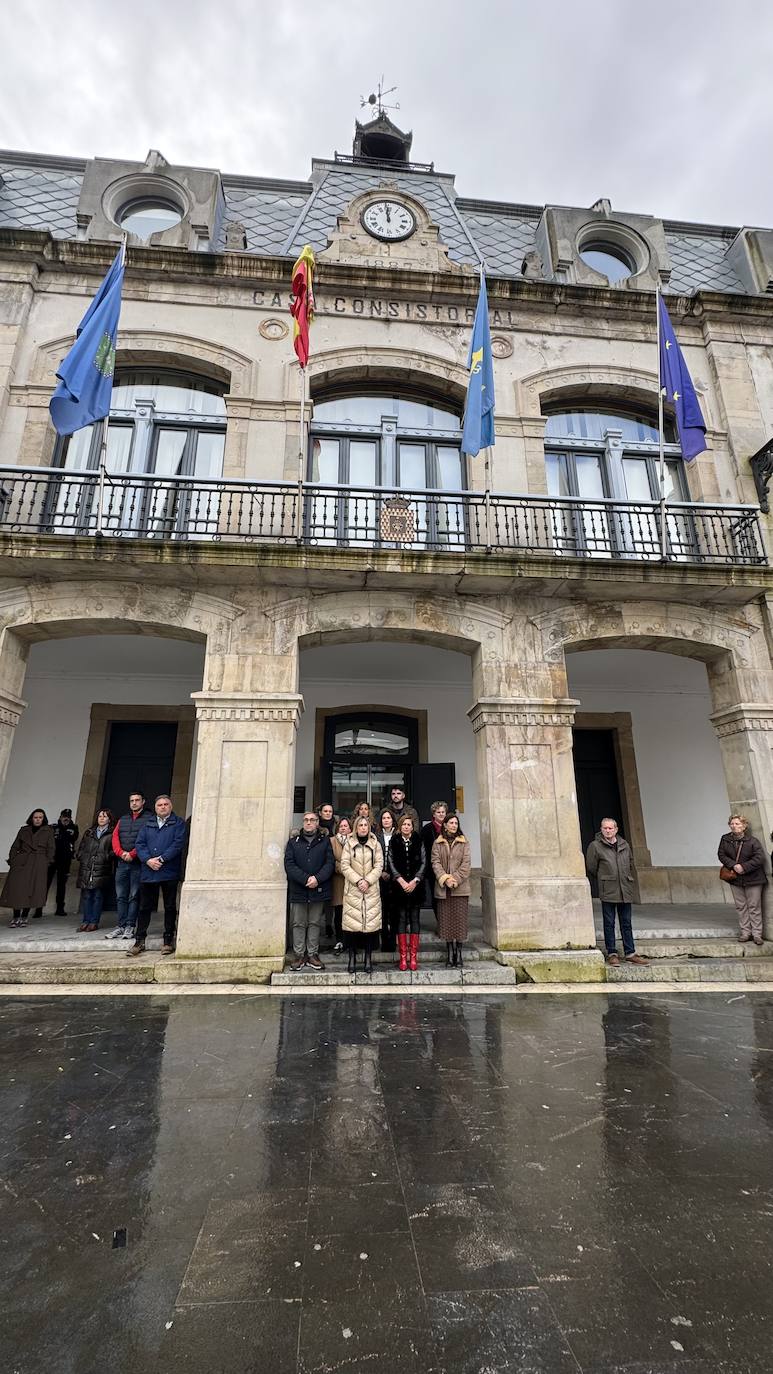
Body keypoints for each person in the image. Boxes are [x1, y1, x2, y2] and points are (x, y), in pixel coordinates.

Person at [128, 795, 188, 957]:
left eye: (166, 804)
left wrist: (161, 859)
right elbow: (139, 844)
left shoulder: (178, 823)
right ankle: (139, 940)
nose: (163, 807)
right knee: (144, 907)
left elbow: (178, 844)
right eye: (160, 805)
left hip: (168, 870)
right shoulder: (148, 824)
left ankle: (168, 940)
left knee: (169, 906)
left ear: (171, 806)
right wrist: (148, 860)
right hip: (148, 871)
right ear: (155, 808)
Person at [585, 817, 648, 967]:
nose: (607, 830)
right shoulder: (595, 846)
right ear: (601, 829)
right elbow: (592, 867)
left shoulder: (624, 845)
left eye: (610, 828)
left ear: (616, 829)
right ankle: (612, 953)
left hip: (625, 888)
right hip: (609, 889)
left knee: (626, 922)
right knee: (609, 923)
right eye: (605, 828)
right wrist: (605, 879)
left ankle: (630, 953)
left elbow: (630, 863)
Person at [283, 810, 335, 971]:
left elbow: (329, 863)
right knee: (298, 923)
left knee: (314, 923)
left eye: (312, 820)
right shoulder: (294, 842)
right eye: (306, 820)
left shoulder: (324, 841)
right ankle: (299, 955)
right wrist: (305, 879)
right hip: (299, 889)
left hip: (318, 889)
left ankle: (312, 954)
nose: (309, 822)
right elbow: (289, 865)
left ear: (317, 823)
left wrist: (317, 879)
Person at [106, 790, 153, 940]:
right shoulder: (123, 819)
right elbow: (115, 837)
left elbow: (147, 840)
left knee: (134, 896)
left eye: (137, 800)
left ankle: (130, 925)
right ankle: (120, 925)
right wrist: (120, 853)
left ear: (143, 802)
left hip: (137, 863)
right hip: (122, 863)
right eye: (132, 800)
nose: (134, 803)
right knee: (120, 896)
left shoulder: (149, 818)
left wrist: (132, 854)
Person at [340, 814, 383, 974]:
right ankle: (352, 958)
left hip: (371, 891)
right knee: (352, 927)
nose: (363, 828)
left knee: (370, 928)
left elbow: (379, 865)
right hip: (353, 890)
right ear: (356, 828)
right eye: (360, 825)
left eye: (366, 825)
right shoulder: (349, 844)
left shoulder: (375, 844)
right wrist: (358, 881)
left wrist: (368, 881)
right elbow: (345, 865)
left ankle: (368, 958)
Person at [718, 814, 767, 946]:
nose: (734, 826)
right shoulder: (725, 839)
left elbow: (759, 858)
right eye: (732, 824)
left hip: (753, 878)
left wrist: (743, 867)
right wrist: (733, 865)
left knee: (754, 906)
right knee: (741, 906)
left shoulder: (752, 841)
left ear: (744, 826)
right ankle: (745, 933)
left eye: (738, 824)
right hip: (735, 878)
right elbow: (721, 855)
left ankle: (757, 934)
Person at [0, 808, 55, 927]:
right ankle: (15, 917)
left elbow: (51, 848)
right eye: (35, 817)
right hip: (22, 862)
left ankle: (24, 916)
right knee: (17, 889)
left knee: (32, 889)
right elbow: (15, 846)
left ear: (43, 819)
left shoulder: (48, 831)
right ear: (32, 818)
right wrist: (14, 860)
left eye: (40, 817)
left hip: (38, 862)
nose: (38, 820)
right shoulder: (24, 830)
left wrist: (47, 862)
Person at [431, 812, 471, 967]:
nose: (454, 825)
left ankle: (459, 953)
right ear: (445, 825)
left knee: (460, 921)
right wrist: (445, 878)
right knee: (446, 922)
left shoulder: (464, 842)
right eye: (451, 823)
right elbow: (435, 862)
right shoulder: (437, 843)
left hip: (460, 889)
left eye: (456, 823)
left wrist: (455, 879)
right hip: (443, 888)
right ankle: (449, 952)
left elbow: (466, 864)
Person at [388, 814, 426, 971]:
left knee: (415, 919)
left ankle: (413, 956)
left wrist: (415, 880)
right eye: (403, 824)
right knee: (402, 919)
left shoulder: (418, 840)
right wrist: (401, 880)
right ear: (400, 826)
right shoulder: (394, 841)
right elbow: (390, 862)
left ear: (412, 826)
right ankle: (403, 956)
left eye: (409, 824)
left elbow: (424, 861)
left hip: (416, 887)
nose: (406, 827)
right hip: (400, 887)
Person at [75, 808, 116, 931]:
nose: (102, 818)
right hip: (87, 868)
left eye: (104, 816)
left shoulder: (112, 833)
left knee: (98, 896)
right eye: (100, 816)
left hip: (102, 868)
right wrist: (81, 857)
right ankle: (85, 921)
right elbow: (81, 848)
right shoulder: (89, 832)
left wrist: (107, 856)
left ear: (109, 819)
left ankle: (94, 921)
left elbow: (114, 850)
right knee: (87, 896)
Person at [49, 808, 79, 916]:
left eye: (68, 817)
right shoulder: (53, 827)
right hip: (52, 860)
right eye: (64, 817)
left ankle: (60, 908)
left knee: (61, 885)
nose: (65, 819)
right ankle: (38, 908)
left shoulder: (73, 828)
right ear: (60, 817)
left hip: (65, 861)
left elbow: (73, 838)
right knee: (45, 883)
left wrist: (66, 826)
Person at [377, 809, 399, 952]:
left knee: (395, 911)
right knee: (383, 911)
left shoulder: (398, 835)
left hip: (395, 879)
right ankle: (385, 941)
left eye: (388, 818)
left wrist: (392, 873)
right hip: (380, 878)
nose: (386, 820)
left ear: (393, 820)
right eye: (384, 818)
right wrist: (381, 873)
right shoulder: (376, 837)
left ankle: (393, 940)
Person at [421, 800, 448, 913]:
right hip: (433, 868)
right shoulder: (427, 829)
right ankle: (441, 924)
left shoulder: (451, 827)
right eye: (438, 812)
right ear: (433, 814)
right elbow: (423, 849)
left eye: (443, 812)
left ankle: (448, 923)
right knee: (436, 896)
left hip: (448, 867)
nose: (441, 814)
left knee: (448, 898)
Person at [329, 816, 351, 954]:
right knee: (339, 913)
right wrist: (346, 868)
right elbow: (330, 860)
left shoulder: (354, 841)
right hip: (338, 882)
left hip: (352, 883)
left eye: (346, 826)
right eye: (341, 826)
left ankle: (349, 941)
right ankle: (339, 940)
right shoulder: (331, 841)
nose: (343, 828)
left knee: (351, 914)